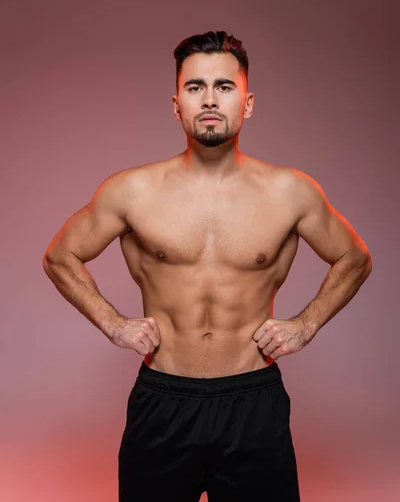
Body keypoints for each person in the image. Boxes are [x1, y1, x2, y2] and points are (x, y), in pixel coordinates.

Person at [42, 30, 372, 501]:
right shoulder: (131, 191)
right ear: (177, 104)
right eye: (195, 87)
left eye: (224, 86)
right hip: (163, 400)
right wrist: (114, 325)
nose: (210, 99)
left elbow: (354, 257)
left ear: (248, 101)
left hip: (253, 401)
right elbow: (60, 256)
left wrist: (306, 324)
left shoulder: (291, 192)